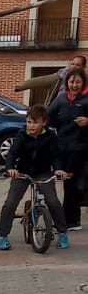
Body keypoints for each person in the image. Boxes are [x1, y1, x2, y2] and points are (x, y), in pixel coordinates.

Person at [0, 104, 70, 251]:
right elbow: (12, 153)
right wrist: (10, 168)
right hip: (23, 172)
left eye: (35, 122)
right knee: (10, 203)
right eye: (29, 121)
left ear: (44, 122)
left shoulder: (50, 136)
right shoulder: (21, 135)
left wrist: (58, 169)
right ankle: (3, 236)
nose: (31, 125)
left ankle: (62, 233)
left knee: (53, 201)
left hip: (43, 172)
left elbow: (56, 155)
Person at [47, 68, 88, 230]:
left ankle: (70, 220)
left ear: (83, 82)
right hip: (62, 146)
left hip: (80, 148)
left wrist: (87, 121)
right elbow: (49, 116)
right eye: (71, 82)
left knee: (70, 182)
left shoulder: (86, 99)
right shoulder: (62, 99)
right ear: (67, 82)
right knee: (67, 183)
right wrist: (57, 123)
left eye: (78, 82)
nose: (74, 85)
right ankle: (70, 218)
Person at [15, 55, 88, 105]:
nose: (74, 67)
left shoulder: (86, 80)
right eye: (73, 64)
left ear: (83, 67)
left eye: (78, 65)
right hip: (58, 107)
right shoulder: (60, 76)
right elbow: (41, 81)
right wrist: (21, 86)